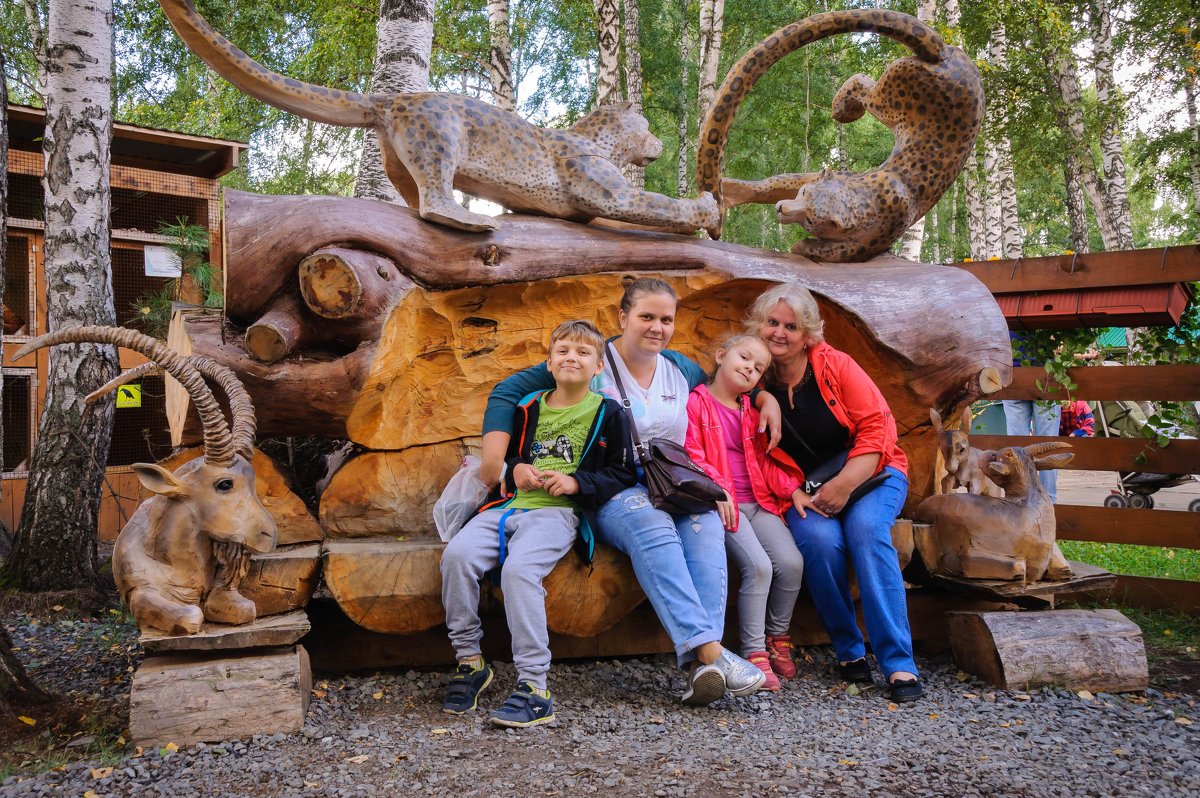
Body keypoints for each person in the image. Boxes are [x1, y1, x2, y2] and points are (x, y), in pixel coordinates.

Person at [480, 278, 773, 706]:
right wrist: (498, 460)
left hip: (671, 483)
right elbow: (508, 390)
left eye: (666, 319)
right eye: (647, 316)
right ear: (622, 318)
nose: (657, 327)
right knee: (653, 527)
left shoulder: (680, 367)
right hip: (610, 487)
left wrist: (766, 397)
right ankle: (711, 650)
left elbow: (726, 379)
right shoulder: (593, 362)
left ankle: (700, 672)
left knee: (706, 526)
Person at [440, 320, 636, 727]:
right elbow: (507, 460)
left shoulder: (608, 413)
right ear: (549, 362)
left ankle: (534, 686)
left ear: (598, 366)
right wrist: (518, 468)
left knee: (519, 571)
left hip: (556, 513)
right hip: (507, 506)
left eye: (583, 353)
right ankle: (470, 661)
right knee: (456, 556)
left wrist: (577, 482)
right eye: (563, 350)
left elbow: (623, 472)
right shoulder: (528, 407)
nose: (572, 357)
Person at [746, 283, 922, 703]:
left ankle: (898, 662)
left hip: (872, 475)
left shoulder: (835, 365)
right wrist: (762, 395)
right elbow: (748, 440)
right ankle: (849, 650)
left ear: (808, 335)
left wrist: (844, 485)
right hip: (804, 491)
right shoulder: (754, 372)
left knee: (865, 533)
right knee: (819, 543)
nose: (779, 333)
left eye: (791, 326)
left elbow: (879, 429)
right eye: (772, 323)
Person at [684, 334, 807, 691]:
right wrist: (715, 486)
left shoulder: (749, 411)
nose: (749, 368)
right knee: (758, 567)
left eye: (758, 368)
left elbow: (763, 462)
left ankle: (776, 637)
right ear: (721, 354)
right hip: (725, 506)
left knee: (792, 564)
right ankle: (754, 653)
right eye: (744, 357)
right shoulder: (697, 403)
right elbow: (691, 452)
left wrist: (791, 489)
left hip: (758, 502)